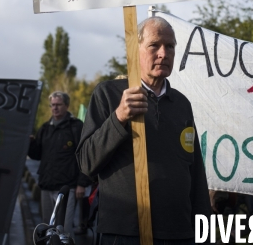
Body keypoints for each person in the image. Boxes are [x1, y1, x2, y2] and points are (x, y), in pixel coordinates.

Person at [76, 16, 211, 244]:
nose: (163, 53)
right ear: (134, 49)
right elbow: (87, 162)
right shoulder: (108, 94)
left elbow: (195, 172)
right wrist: (119, 117)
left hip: (179, 233)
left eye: (170, 46)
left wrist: (203, 232)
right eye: (154, 45)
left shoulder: (181, 104)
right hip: (125, 232)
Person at [28, 91, 91, 235]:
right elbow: (37, 155)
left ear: (67, 106)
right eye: (52, 105)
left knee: (64, 231)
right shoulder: (45, 128)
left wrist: (82, 183)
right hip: (46, 185)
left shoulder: (76, 127)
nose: (55, 108)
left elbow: (85, 155)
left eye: (58, 105)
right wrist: (30, 144)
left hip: (66, 188)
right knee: (47, 229)